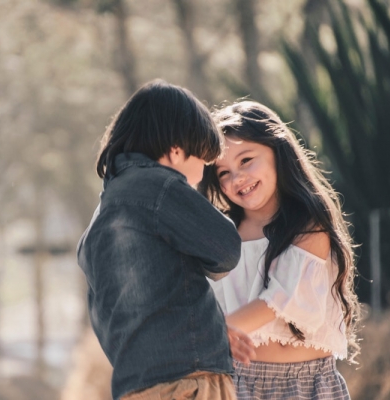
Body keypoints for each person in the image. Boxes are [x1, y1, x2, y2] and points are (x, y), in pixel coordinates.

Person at [77, 80, 256, 400]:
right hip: (190, 385)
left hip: (136, 387)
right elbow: (225, 248)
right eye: (202, 162)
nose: (202, 177)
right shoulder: (161, 188)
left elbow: (123, 315)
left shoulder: (97, 224)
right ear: (175, 151)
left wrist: (205, 330)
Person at [199, 101, 361, 399]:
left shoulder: (310, 226)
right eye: (223, 173)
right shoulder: (223, 235)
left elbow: (276, 300)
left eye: (246, 160)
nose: (237, 178)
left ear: (277, 150)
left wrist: (216, 331)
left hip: (308, 384)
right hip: (238, 385)